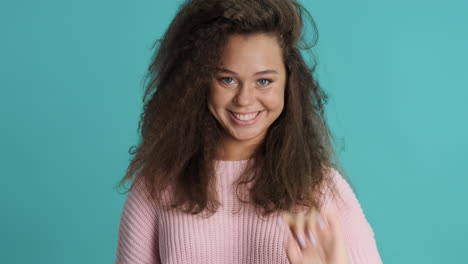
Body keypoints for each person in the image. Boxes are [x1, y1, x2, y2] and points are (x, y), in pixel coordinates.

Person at [113, 0, 383, 263]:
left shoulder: (322, 188)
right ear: (198, 81)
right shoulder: (155, 187)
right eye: (227, 79)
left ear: (290, 82)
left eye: (264, 81)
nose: (244, 99)